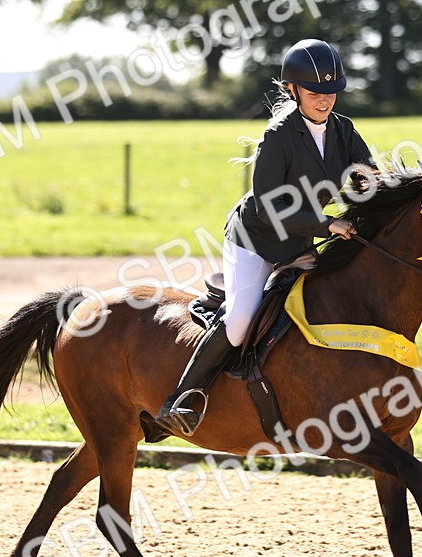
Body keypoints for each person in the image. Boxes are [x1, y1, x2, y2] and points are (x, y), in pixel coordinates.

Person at [154, 38, 375, 435]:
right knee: (240, 320)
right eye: (314, 93)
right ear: (293, 90)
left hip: (300, 241)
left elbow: (365, 177)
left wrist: (380, 187)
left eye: (331, 92)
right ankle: (182, 399)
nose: (324, 100)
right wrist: (329, 225)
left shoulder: (343, 130)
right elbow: (268, 208)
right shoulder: (278, 136)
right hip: (256, 240)